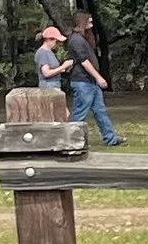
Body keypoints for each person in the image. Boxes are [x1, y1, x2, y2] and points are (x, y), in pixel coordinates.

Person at [64, 10, 123, 147]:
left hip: (90, 82)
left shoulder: (83, 39)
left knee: (100, 110)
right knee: (80, 113)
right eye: (89, 20)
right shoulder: (76, 40)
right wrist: (99, 78)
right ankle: (72, 140)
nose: (91, 22)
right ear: (81, 22)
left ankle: (110, 138)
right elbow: (84, 62)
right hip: (82, 82)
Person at [34, 25, 70, 98]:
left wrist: (65, 68)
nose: (58, 44)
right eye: (56, 41)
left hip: (55, 84)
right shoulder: (42, 53)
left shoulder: (50, 52)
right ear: (49, 39)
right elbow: (46, 73)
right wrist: (63, 66)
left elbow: (55, 69)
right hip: (48, 86)